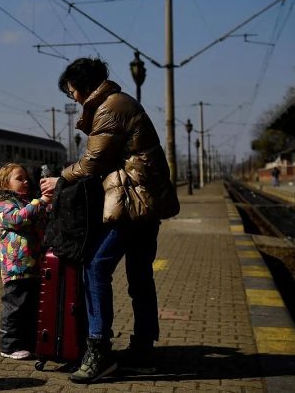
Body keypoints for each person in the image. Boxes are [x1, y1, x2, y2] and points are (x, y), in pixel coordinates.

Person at [40, 57, 178, 383]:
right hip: (148, 201)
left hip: (133, 201)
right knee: (140, 276)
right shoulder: (118, 102)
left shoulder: (110, 108)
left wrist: (59, 178)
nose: (72, 98)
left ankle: (99, 349)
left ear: (84, 86)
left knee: (96, 267)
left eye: (72, 91)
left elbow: (92, 162)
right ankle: (144, 351)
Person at [0, 163, 52, 360]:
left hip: (32, 265)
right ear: (5, 183)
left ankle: (29, 343)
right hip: (16, 267)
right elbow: (18, 219)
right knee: (15, 307)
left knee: (30, 307)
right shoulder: (3, 204)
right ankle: (9, 345)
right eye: (19, 178)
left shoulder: (27, 201)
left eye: (25, 178)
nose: (25, 182)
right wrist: (40, 202)